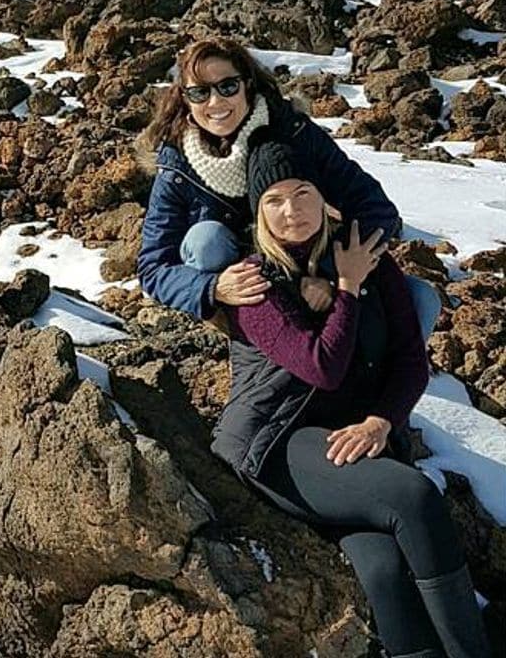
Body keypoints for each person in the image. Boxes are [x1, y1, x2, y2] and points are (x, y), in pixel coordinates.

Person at [212, 136, 491, 658]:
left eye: (302, 194)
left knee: (382, 568)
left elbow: (411, 360)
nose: (291, 211)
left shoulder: (364, 256)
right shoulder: (252, 284)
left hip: (354, 436)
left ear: (324, 198)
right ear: (258, 213)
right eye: (274, 200)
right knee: (414, 498)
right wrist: (346, 290)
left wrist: (383, 421)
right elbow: (324, 368)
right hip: (278, 442)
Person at [136, 37, 441, 338]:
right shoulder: (177, 164)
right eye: (200, 93)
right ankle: (255, 340)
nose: (215, 102)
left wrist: (330, 272)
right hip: (246, 283)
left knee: (422, 299)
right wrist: (213, 288)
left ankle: (387, 379)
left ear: (248, 84)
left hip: (304, 263)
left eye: (227, 86)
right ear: (185, 99)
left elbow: (374, 209)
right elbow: (153, 267)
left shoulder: (294, 133)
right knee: (206, 241)